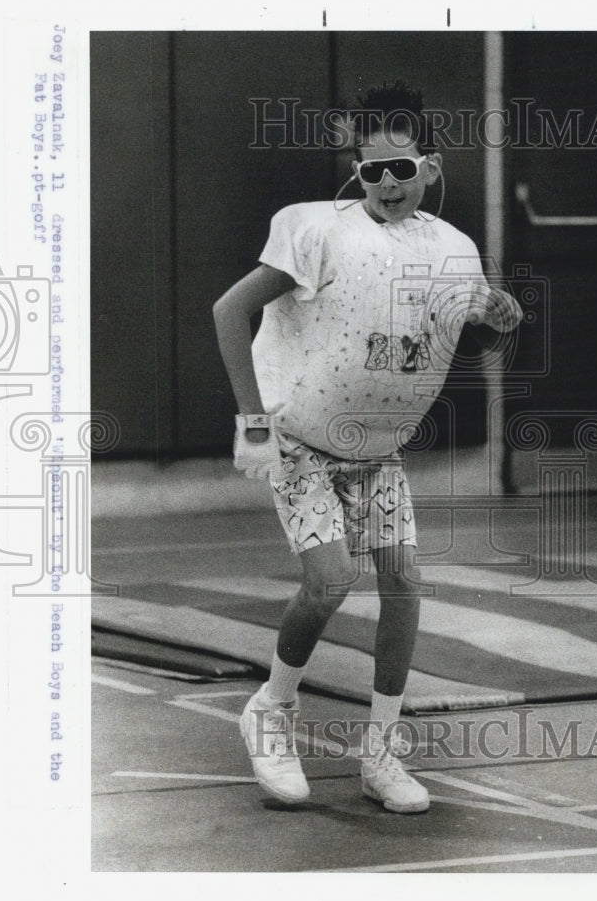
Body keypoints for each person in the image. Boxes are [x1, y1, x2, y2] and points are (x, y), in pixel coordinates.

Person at [213, 80, 522, 814]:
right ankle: (271, 710)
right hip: (300, 443)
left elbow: (462, 329)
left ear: (431, 167)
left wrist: (496, 316)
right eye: (371, 170)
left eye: (401, 169)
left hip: (378, 452)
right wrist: (252, 419)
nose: (386, 184)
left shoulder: (453, 249)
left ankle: (381, 751)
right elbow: (230, 309)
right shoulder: (315, 230)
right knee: (329, 579)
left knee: (404, 584)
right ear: (357, 171)